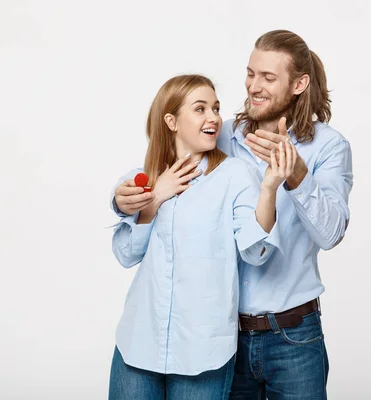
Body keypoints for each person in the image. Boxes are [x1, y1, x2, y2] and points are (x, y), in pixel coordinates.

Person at [112, 30, 353, 399]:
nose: (254, 86)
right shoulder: (218, 135)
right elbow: (158, 167)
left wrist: (295, 175)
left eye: (268, 78)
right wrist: (124, 200)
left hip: (292, 335)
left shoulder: (328, 146)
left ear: (299, 84)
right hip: (224, 337)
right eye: (250, 73)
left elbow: (332, 233)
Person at [108, 74, 296, 400]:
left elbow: (256, 252)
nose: (213, 118)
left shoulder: (235, 176)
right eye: (200, 109)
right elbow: (127, 254)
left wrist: (268, 188)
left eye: (215, 108)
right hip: (139, 344)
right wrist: (154, 198)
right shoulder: (145, 176)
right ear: (172, 121)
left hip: (203, 353)